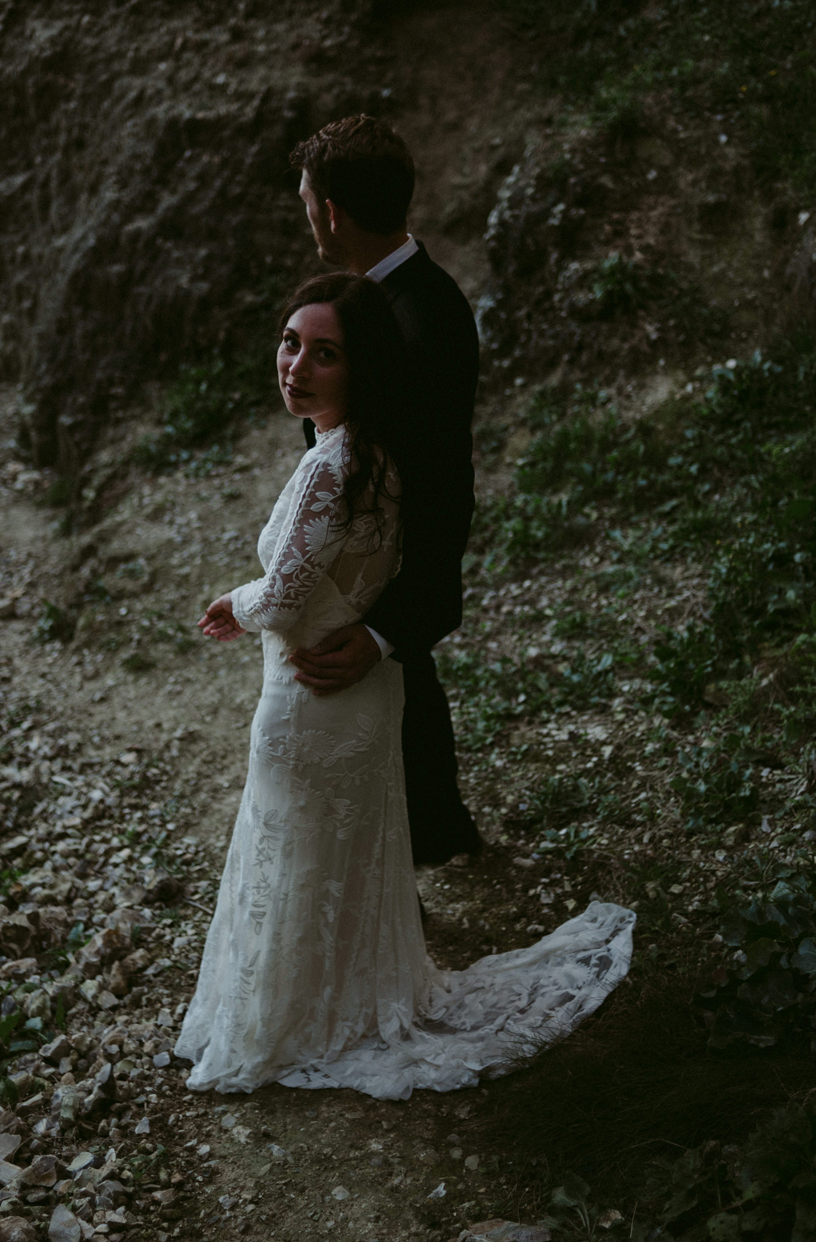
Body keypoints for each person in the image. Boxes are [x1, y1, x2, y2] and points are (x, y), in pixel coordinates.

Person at [175, 273, 633, 1097]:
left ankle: (284, 1023)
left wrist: (232, 605)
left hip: (309, 694)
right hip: (364, 689)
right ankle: (339, 1003)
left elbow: (280, 598)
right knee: (340, 860)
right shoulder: (375, 456)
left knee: (295, 857)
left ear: (360, 369)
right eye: (290, 344)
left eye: (324, 353)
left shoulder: (331, 467)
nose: (297, 366)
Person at [282, 114, 485, 866]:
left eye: (307, 203)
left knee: (390, 696)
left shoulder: (419, 323)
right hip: (362, 575)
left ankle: (408, 861)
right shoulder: (384, 298)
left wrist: (387, 625)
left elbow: (439, 492)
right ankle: (438, 832)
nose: (307, 217)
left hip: (385, 584)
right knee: (405, 699)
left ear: (331, 212)